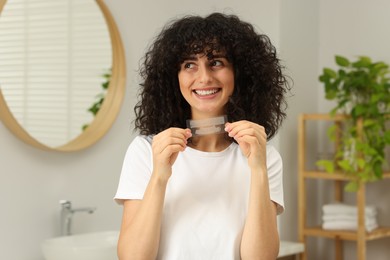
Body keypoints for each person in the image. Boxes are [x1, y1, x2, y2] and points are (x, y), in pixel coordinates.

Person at [114, 12, 290, 260]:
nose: (204, 77)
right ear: (173, 78)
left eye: (216, 62)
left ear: (239, 73)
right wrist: (160, 176)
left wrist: (258, 170)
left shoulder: (265, 157)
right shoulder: (146, 151)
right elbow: (133, 258)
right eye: (189, 65)